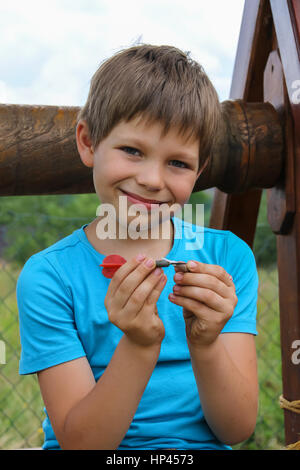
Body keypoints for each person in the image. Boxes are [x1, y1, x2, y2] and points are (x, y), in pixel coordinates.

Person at [16, 44, 259, 450]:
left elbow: (236, 430)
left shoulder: (228, 261)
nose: (151, 178)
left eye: (178, 163)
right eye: (132, 151)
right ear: (88, 143)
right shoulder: (50, 278)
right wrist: (140, 345)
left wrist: (205, 342)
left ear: (199, 171)